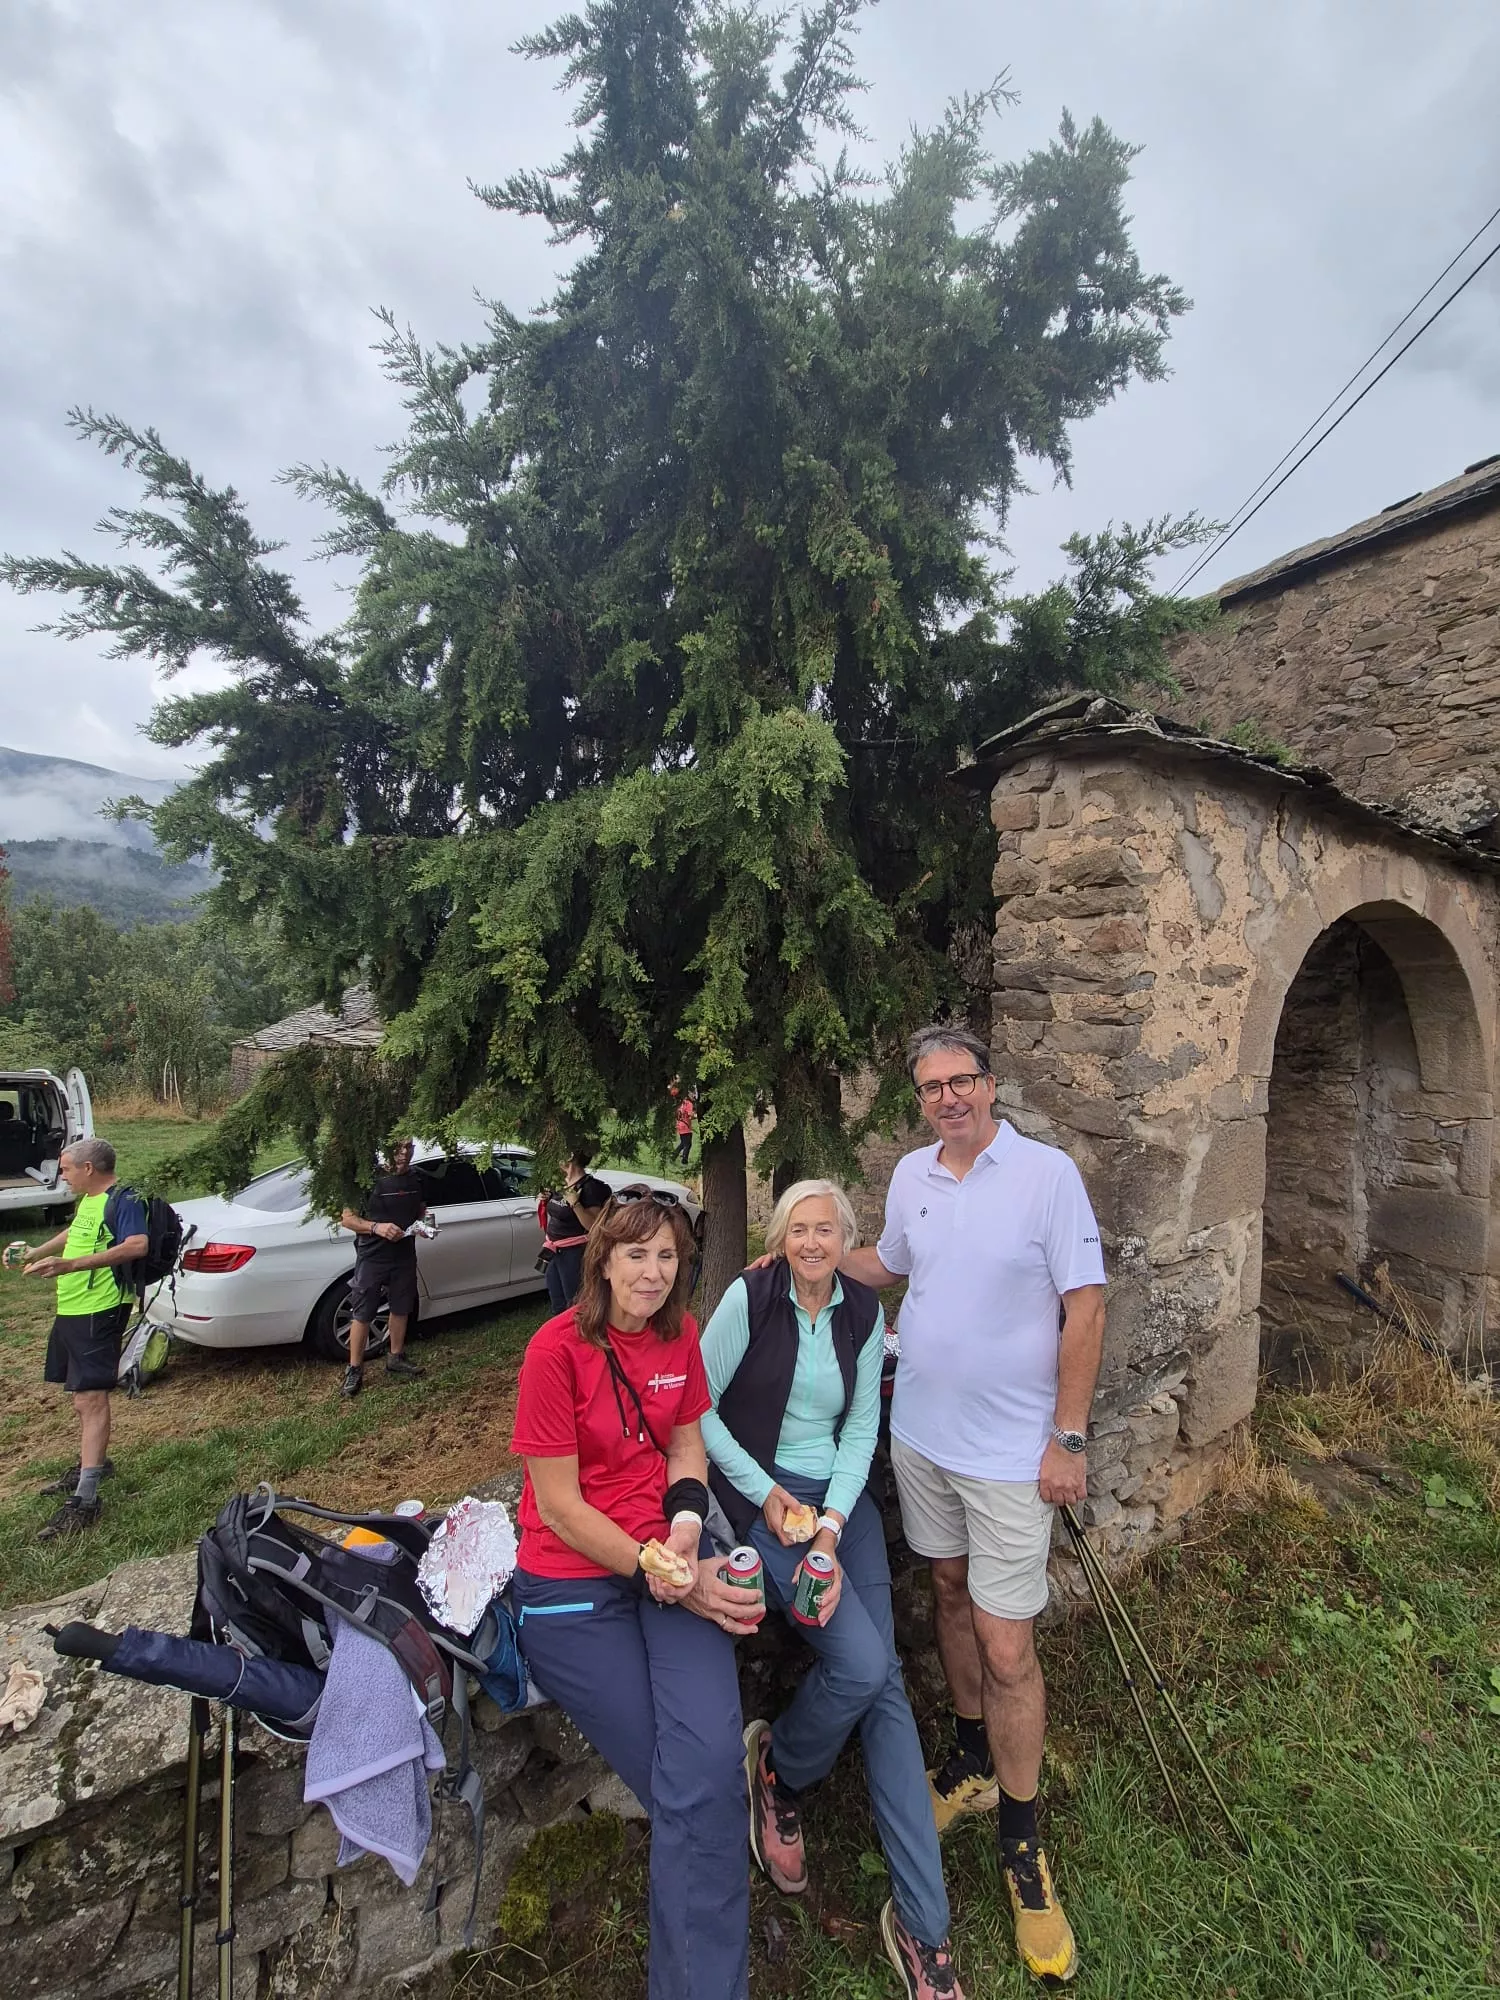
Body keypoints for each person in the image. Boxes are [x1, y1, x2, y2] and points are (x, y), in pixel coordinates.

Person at [828, 1024, 1106, 1984]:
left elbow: (1087, 1305)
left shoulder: (1046, 1176)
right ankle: (972, 1763)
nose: (949, 1096)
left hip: (1007, 1457)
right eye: (932, 1085)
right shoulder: (912, 1177)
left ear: (991, 1085)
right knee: (947, 1593)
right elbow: (892, 1266)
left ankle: (1024, 1849)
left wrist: (1067, 1437)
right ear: (919, 1099)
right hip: (925, 1442)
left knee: (1007, 1643)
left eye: (963, 1080)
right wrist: (802, 1259)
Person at [702, 1180, 966, 2000]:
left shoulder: (859, 1312)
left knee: (881, 1681)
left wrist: (829, 1529)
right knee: (863, 1668)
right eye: (798, 1229)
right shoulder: (749, 1299)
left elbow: (859, 1431)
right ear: (780, 1237)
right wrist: (776, 1505)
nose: (812, 1243)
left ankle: (925, 1929)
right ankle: (779, 1767)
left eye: (826, 1230)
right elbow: (698, 1412)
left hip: (840, 1504)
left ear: (845, 1237)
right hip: (763, 1497)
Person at [509, 1186, 758, 2000]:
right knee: (698, 1787)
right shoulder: (554, 1351)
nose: (653, 1272)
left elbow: (687, 1443)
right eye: (637, 1253)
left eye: (669, 1256)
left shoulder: (681, 1333)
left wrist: (686, 1528)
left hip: (672, 1564)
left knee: (707, 1772)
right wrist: (674, 1578)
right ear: (604, 1260)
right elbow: (559, 1507)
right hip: (576, 1586)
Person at [21, 1138, 147, 1540]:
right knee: (79, 1396)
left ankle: (87, 1498)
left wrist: (72, 1264)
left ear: (89, 1168)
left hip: (100, 1309)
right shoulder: (89, 1201)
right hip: (73, 1308)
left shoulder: (123, 1199)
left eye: (66, 1169)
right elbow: (76, 1231)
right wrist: (36, 1251)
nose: (62, 1176)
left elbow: (137, 1245)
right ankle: (94, 1464)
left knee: (91, 1399)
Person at [339, 1139, 428, 1398]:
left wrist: (424, 1226)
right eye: (398, 1148)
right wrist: (377, 1228)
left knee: (401, 1306)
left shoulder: (417, 1179)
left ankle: (396, 1357)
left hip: (404, 1254)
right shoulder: (368, 1178)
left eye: (408, 1148)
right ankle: (354, 1369)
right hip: (372, 1257)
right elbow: (347, 1218)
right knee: (363, 1311)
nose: (404, 1154)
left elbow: (421, 1211)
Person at [538, 1145, 611, 1311]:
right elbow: (557, 1211)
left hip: (574, 1254)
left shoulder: (590, 1188)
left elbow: (594, 1226)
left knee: (575, 1303)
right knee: (557, 1301)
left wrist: (576, 1204)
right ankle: (561, 1334)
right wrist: (545, 1198)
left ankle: (580, 1334)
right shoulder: (561, 1183)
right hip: (553, 1250)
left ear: (570, 1156)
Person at [668, 1080, 695, 1168]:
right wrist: (697, 1115)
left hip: (679, 1125)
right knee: (688, 1144)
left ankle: (673, 1156)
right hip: (686, 1126)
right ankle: (684, 1159)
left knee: (683, 1143)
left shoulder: (680, 1103)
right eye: (692, 1094)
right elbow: (690, 1115)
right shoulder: (688, 1104)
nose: (693, 1095)